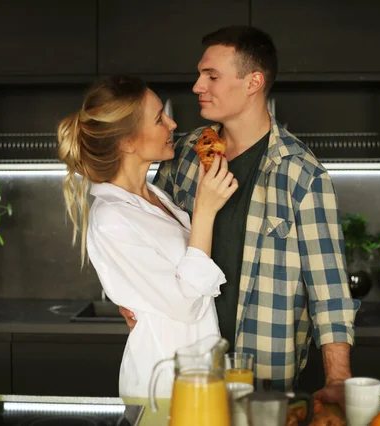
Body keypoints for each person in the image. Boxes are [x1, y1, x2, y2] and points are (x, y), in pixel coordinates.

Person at [119, 26, 360, 408]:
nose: (197, 86)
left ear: (253, 82)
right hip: (184, 371)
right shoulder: (183, 155)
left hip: (261, 382)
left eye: (211, 76)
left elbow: (329, 293)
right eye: (200, 74)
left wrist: (338, 379)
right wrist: (130, 294)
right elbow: (141, 232)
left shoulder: (302, 175)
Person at [57, 75, 238, 397]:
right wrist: (206, 211)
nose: (172, 123)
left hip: (198, 376)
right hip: (163, 385)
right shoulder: (111, 217)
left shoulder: (157, 197)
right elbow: (186, 305)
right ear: (127, 141)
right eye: (158, 118)